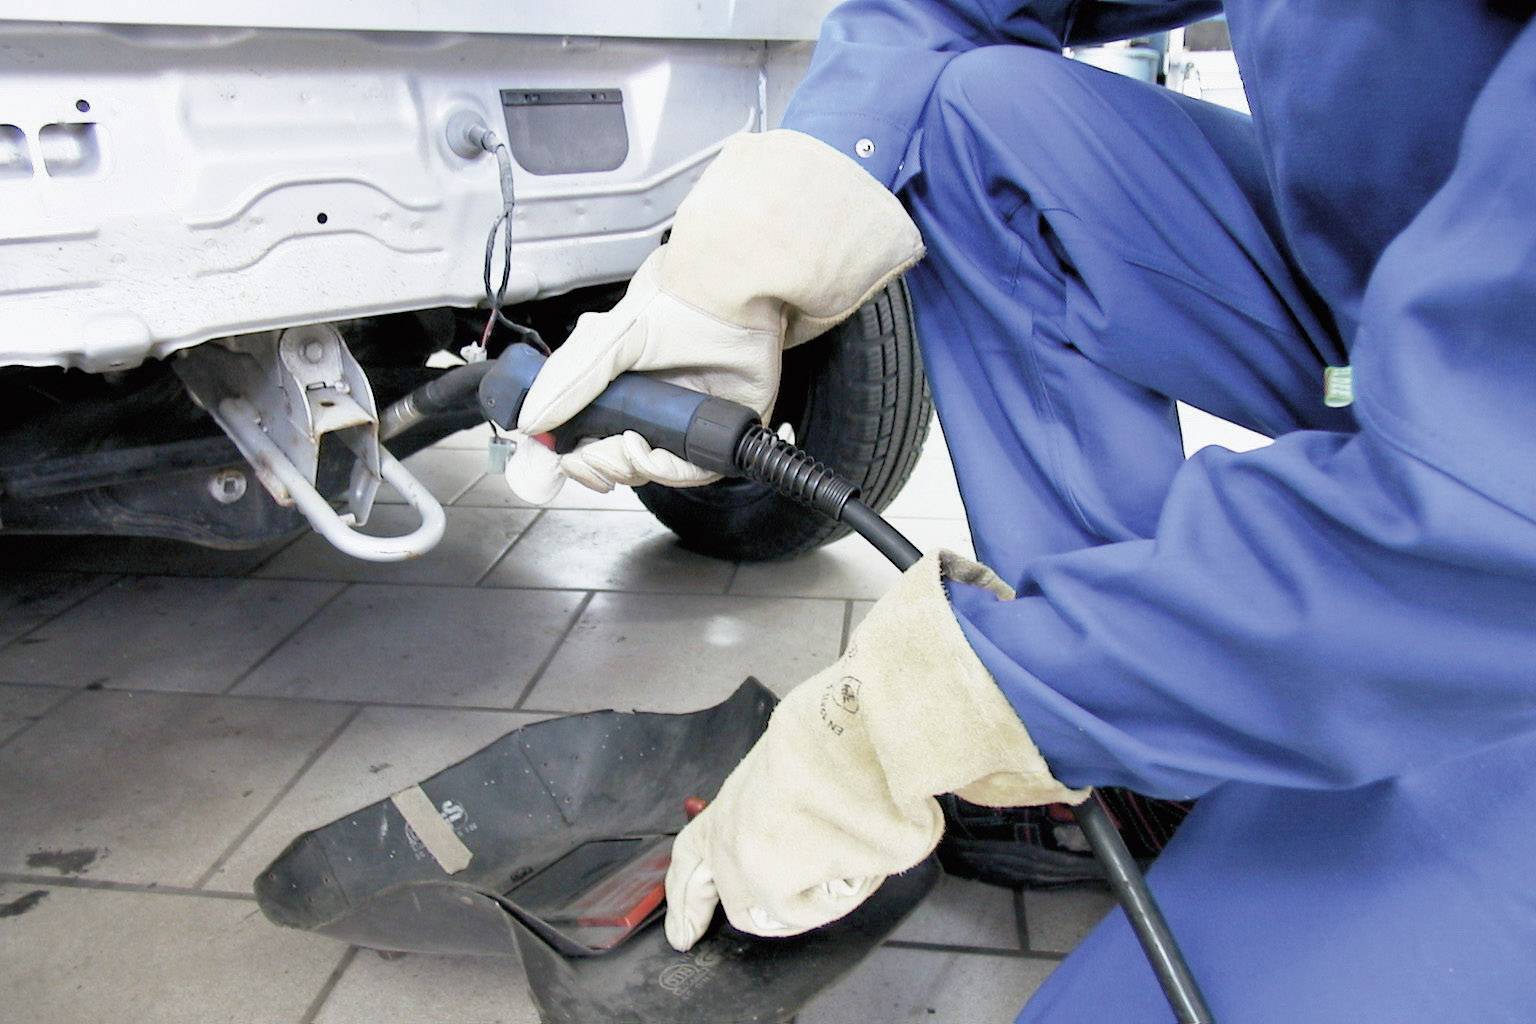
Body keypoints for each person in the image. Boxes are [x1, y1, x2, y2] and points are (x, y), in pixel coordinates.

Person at [505, 3, 1536, 1019]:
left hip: (1496, 487)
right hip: (1403, 288)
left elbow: (1483, 516)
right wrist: (753, 253)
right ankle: (1137, 753)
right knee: (972, 115)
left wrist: (939, 712)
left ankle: (1144, 688)